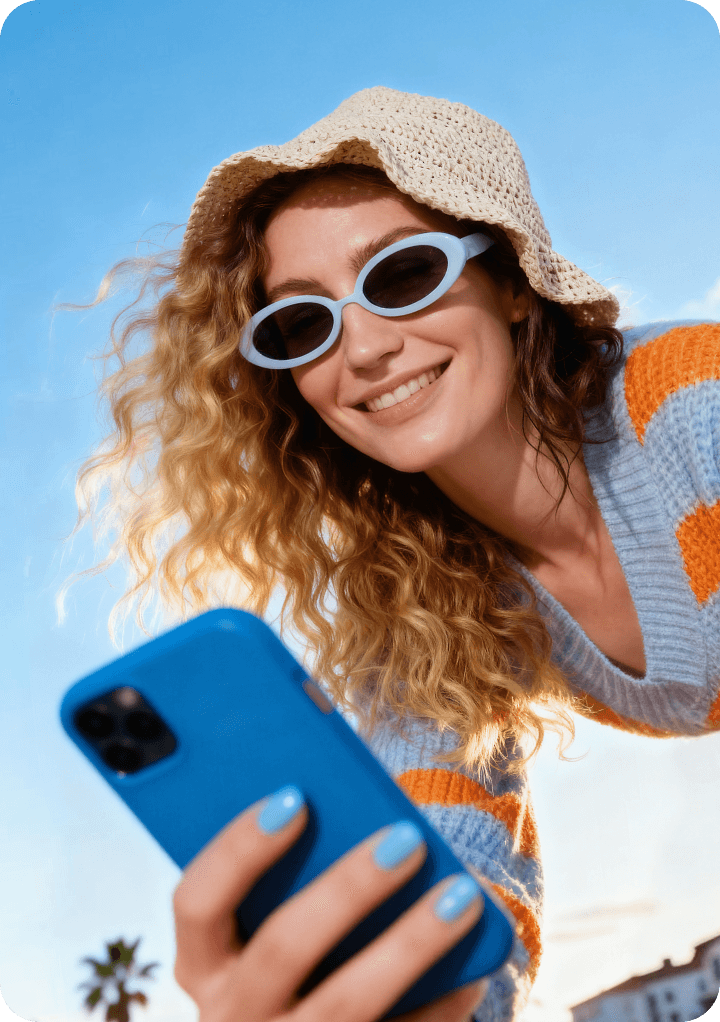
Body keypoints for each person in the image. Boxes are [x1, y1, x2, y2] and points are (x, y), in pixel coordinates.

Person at [67, 87, 720, 1021]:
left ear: (513, 283)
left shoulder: (695, 403)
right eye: (302, 324)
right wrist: (418, 991)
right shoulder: (414, 602)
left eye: (403, 274)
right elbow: (458, 876)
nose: (362, 346)